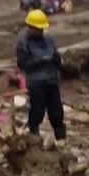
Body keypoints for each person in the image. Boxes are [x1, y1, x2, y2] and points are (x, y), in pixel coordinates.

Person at [15, 10, 66, 141]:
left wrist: (56, 59)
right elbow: (22, 64)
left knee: (57, 112)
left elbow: (57, 59)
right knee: (37, 111)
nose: (40, 31)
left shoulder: (49, 40)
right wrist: (41, 60)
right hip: (36, 82)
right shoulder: (23, 43)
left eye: (42, 29)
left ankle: (61, 139)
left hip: (51, 80)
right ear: (30, 27)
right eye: (38, 29)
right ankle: (34, 137)